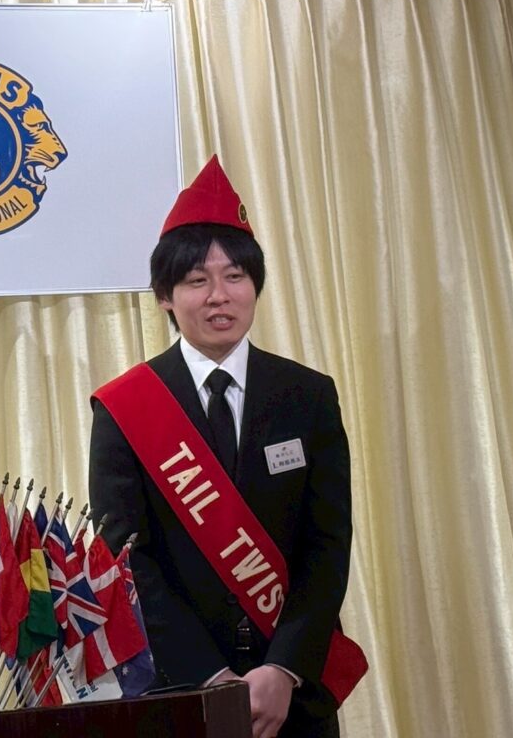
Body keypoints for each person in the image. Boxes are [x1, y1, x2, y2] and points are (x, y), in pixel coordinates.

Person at [88, 156, 356, 738]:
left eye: (235, 276)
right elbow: (125, 560)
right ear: (165, 295)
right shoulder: (125, 408)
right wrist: (207, 676)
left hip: (294, 694)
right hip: (178, 691)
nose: (219, 296)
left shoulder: (308, 395)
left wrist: (282, 670)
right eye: (196, 281)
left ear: (255, 285)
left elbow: (328, 544)